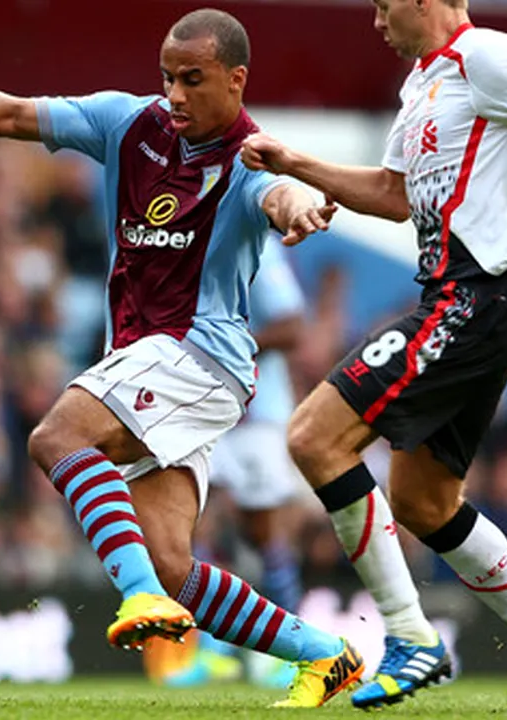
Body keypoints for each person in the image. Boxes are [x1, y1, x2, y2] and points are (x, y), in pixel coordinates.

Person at [0, 8, 363, 708]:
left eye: (192, 80)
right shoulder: (126, 122)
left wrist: (300, 209)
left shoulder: (249, 157)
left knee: (56, 436)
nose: (174, 93)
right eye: (167, 77)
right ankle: (326, 652)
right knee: (173, 566)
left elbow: (281, 194)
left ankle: (135, 596)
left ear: (236, 81)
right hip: (152, 362)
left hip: (195, 356)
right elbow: (16, 115)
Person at [241, 0, 507, 712]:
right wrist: (299, 165)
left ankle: (411, 637)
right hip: (461, 301)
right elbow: (390, 196)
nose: (376, 21)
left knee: (313, 436)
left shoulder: (489, 57)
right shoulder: (421, 84)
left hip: (476, 299)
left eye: (385, 6)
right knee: (422, 501)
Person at [172, 235, 310, 689]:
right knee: (199, 522)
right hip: (200, 405)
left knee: (262, 530)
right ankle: (215, 650)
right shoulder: (185, 245)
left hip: (256, 412)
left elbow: (292, 326)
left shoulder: (258, 248)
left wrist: (231, 347)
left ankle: (291, 650)